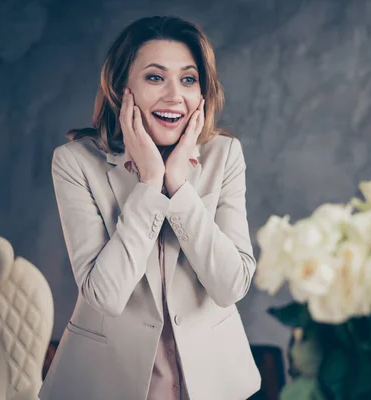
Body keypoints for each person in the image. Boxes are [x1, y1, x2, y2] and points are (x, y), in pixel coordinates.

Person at [38, 16, 261, 400]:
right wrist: (149, 184)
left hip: (213, 382)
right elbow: (105, 294)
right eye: (155, 77)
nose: (175, 96)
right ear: (123, 88)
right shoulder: (74, 162)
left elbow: (230, 285)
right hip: (106, 383)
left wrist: (178, 187)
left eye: (188, 79)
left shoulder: (225, 155)